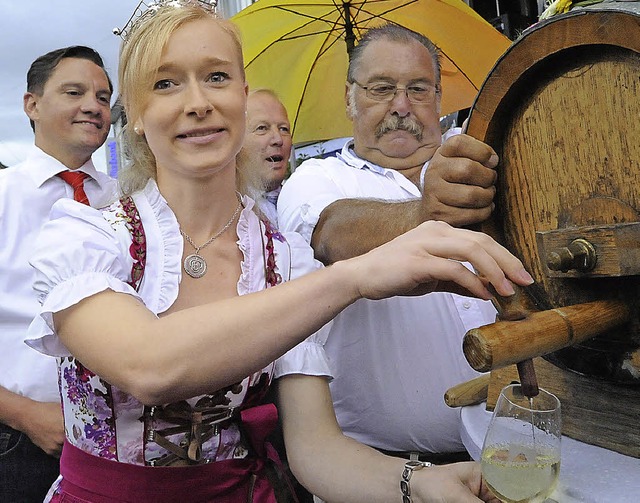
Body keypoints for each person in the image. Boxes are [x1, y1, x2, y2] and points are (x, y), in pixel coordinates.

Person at [26, 4, 532, 502]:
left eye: (217, 77)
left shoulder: (283, 261)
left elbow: (316, 451)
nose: (198, 101)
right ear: (135, 115)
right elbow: (149, 367)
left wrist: (416, 481)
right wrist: (352, 277)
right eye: (166, 83)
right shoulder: (88, 237)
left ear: (244, 97)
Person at [277, 23, 501, 464]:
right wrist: (424, 217)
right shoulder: (315, 179)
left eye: (418, 88)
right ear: (349, 98)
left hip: (522, 451)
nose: (401, 106)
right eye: (381, 89)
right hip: (386, 470)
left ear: (439, 97)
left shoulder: (478, 157)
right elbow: (331, 233)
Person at [0, 45, 117, 502]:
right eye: (74, 92)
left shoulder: (128, 202)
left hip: (118, 445)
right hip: (18, 444)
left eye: (104, 97)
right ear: (32, 104)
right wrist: (26, 415)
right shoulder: (4, 197)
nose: (93, 105)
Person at [238, 88, 292, 225]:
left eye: (283, 129)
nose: (278, 139)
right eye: (262, 128)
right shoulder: (228, 209)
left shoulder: (305, 197)